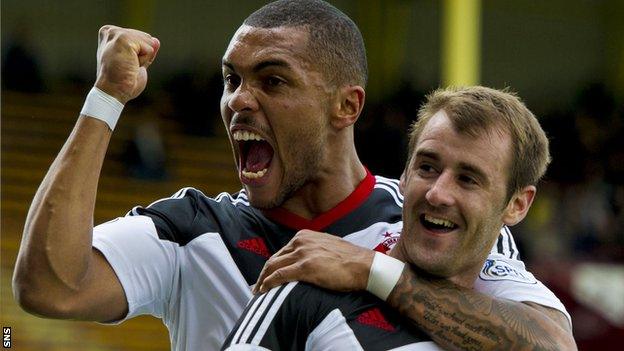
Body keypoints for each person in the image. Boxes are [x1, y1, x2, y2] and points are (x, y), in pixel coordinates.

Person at [13, 1, 574, 350]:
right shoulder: (191, 231)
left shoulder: (429, 223)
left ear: (346, 107)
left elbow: (547, 346)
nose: (239, 102)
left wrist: (369, 270)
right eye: (232, 80)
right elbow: (47, 287)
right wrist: (105, 99)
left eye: (273, 81)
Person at [222, 86, 571, 350]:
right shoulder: (305, 285)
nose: (437, 193)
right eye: (427, 167)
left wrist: (372, 270)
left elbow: (555, 345)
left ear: (517, 205)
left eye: (468, 179)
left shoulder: (497, 273)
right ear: (403, 175)